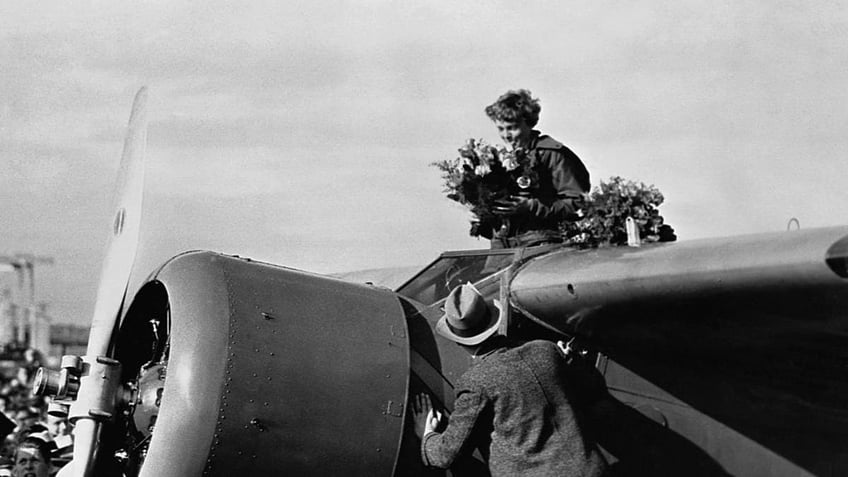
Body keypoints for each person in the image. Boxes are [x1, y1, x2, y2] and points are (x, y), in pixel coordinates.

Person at [412, 283, 608, 476]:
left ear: (457, 340)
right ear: (492, 320)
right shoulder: (546, 350)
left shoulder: (475, 382)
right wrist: (570, 359)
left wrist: (427, 434)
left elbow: (447, 455)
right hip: (592, 469)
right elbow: (595, 388)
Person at [483, 89, 590, 248]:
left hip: (540, 241)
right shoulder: (496, 159)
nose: (506, 135)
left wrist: (531, 206)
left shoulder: (552, 155)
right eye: (501, 129)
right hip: (501, 243)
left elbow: (577, 204)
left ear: (529, 122)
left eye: (512, 128)